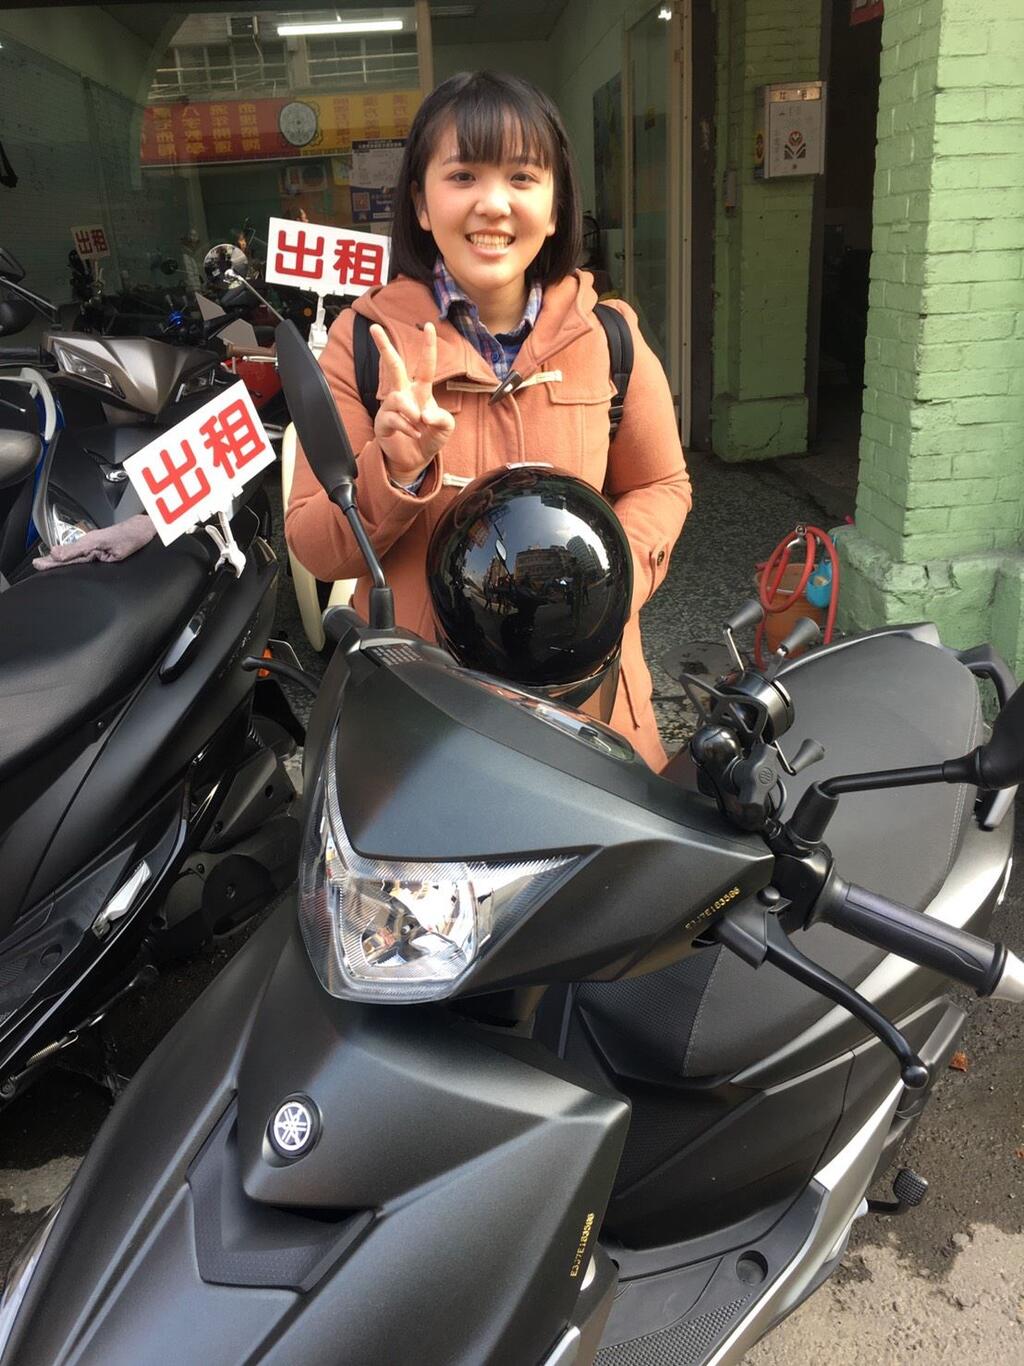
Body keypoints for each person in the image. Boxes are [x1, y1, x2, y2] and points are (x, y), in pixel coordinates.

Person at [285, 71, 691, 769]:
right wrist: (396, 470)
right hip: (431, 719)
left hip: (592, 707)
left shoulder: (609, 338)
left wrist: (599, 580)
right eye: (463, 175)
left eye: (523, 177)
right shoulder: (364, 345)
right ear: (421, 203)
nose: (494, 204)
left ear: (556, 206)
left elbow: (661, 485)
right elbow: (317, 544)